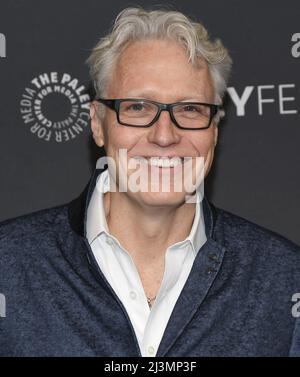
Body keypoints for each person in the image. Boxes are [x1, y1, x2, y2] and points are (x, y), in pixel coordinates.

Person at [0, 7, 300, 357]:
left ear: (214, 130)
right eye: (138, 107)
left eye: (189, 109)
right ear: (97, 123)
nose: (164, 135)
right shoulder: (9, 266)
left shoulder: (283, 279)